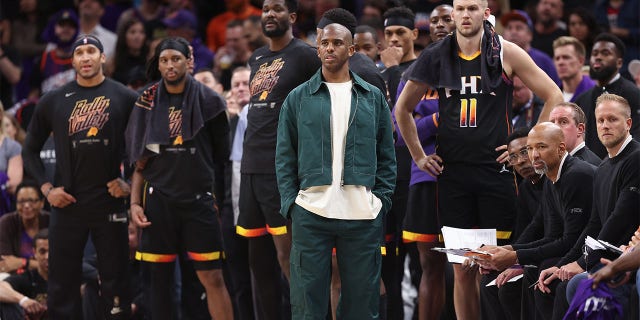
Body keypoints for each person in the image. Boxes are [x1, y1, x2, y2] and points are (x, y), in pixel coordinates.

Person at [394, 0, 564, 318]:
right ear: (454, 13)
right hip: (453, 174)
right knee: (462, 268)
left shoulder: (506, 51)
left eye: (473, 8)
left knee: (500, 266)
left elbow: (554, 94)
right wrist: (418, 156)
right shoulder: (435, 55)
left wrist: (529, 145)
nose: (465, 14)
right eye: (460, 9)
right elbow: (401, 109)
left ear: (486, 13)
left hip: (496, 172)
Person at [275, 22, 396, 319]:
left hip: (362, 214)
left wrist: (381, 201)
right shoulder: (298, 98)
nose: (330, 47)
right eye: (324, 43)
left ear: (351, 49)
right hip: (311, 212)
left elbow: (387, 155)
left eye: (337, 43)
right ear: (317, 49)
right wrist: (293, 203)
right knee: (307, 304)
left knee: (362, 305)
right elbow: (284, 155)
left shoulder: (372, 97)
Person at [22, 35, 136, 319]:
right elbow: (29, 151)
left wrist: (130, 183)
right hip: (67, 202)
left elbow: (143, 148)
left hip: (109, 202)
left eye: (91, 52)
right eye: (80, 53)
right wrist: (47, 190)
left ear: (102, 57)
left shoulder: (125, 97)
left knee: (115, 278)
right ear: (72, 61)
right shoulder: (52, 100)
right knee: (62, 282)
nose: (85, 57)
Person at [126, 37, 233, 320]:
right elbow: (140, 162)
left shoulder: (211, 101)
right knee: (158, 284)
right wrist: (135, 204)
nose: (170, 65)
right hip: (158, 201)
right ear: (158, 65)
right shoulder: (147, 100)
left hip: (199, 202)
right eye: (164, 60)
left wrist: (220, 202)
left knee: (213, 279)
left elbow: (222, 159)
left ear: (190, 61)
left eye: (176, 59)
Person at [236, 1, 320, 318]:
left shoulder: (305, 55)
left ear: (292, 17)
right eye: (266, 8)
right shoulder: (257, 57)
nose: (270, 14)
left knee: (289, 256)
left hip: (281, 169)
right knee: (257, 260)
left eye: (277, 9)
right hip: (250, 168)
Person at [537, 93, 640, 319]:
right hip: (605, 255)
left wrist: (582, 263)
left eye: (612, 119)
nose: (605, 125)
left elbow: (619, 220)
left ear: (628, 123)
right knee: (550, 280)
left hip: (626, 258)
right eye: (601, 120)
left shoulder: (636, 158)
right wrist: (566, 264)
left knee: (571, 285)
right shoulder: (603, 167)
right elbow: (593, 224)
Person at [478, 122, 595, 320]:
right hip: (570, 249)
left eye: (541, 147)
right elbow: (552, 235)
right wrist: (508, 251)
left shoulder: (577, 175)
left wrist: (516, 257)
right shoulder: (550, 176)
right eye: (530, 149)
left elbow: (570, 240)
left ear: (561, 148)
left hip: (588, 253)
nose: (533, 156)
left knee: (540, 275)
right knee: (507, 278)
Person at [393, 5, 455, 319]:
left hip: (468, 176)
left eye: (447, 18)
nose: (441, 25)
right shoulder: (415, 73)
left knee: (468, 265)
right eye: (435, 21)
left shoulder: (483, 67)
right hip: (426, 177)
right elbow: (401, 133)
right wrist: (435, 119)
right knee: (430, 266)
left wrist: (427, 120)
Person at [574, 33, 640, 159]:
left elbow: (637, 137)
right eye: (595, 53)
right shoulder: (582, 99)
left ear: (619, 63)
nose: (598, 57)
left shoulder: (632, 94)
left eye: (605, 53)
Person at [501, 9, 560, 86]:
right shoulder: (495, 59)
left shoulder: (544, 61)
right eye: (509, 28)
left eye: (519, 28)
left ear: (530, 35)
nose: (513, 32)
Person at [0, 183, 49, 274]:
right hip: (16, 276)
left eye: (31, 201)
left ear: (42, 203)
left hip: (47, 275)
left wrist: (23, 263)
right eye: (21, 202)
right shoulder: (6, 223)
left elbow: (57, 263)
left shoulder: (50, 221)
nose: (26, 206)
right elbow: (5, 263)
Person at [0, 229, 49, 320]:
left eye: (52, 251)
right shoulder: (28, 278)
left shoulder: (70, 277)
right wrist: (23, 300)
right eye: (42, 252)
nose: (47, 257)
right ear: (35, 253)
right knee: (7, 301)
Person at [106, 17, 149, 86]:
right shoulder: (112, 63)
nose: (137, 36)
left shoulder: (150, 61)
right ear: (124, 36)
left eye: (141, 32)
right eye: (132, 32)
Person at [552, 36, 596, 103]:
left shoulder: (595, 92)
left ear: (581, 61)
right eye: (557, 58)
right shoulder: (552, 96)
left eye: (566, 57)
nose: (560, 62)